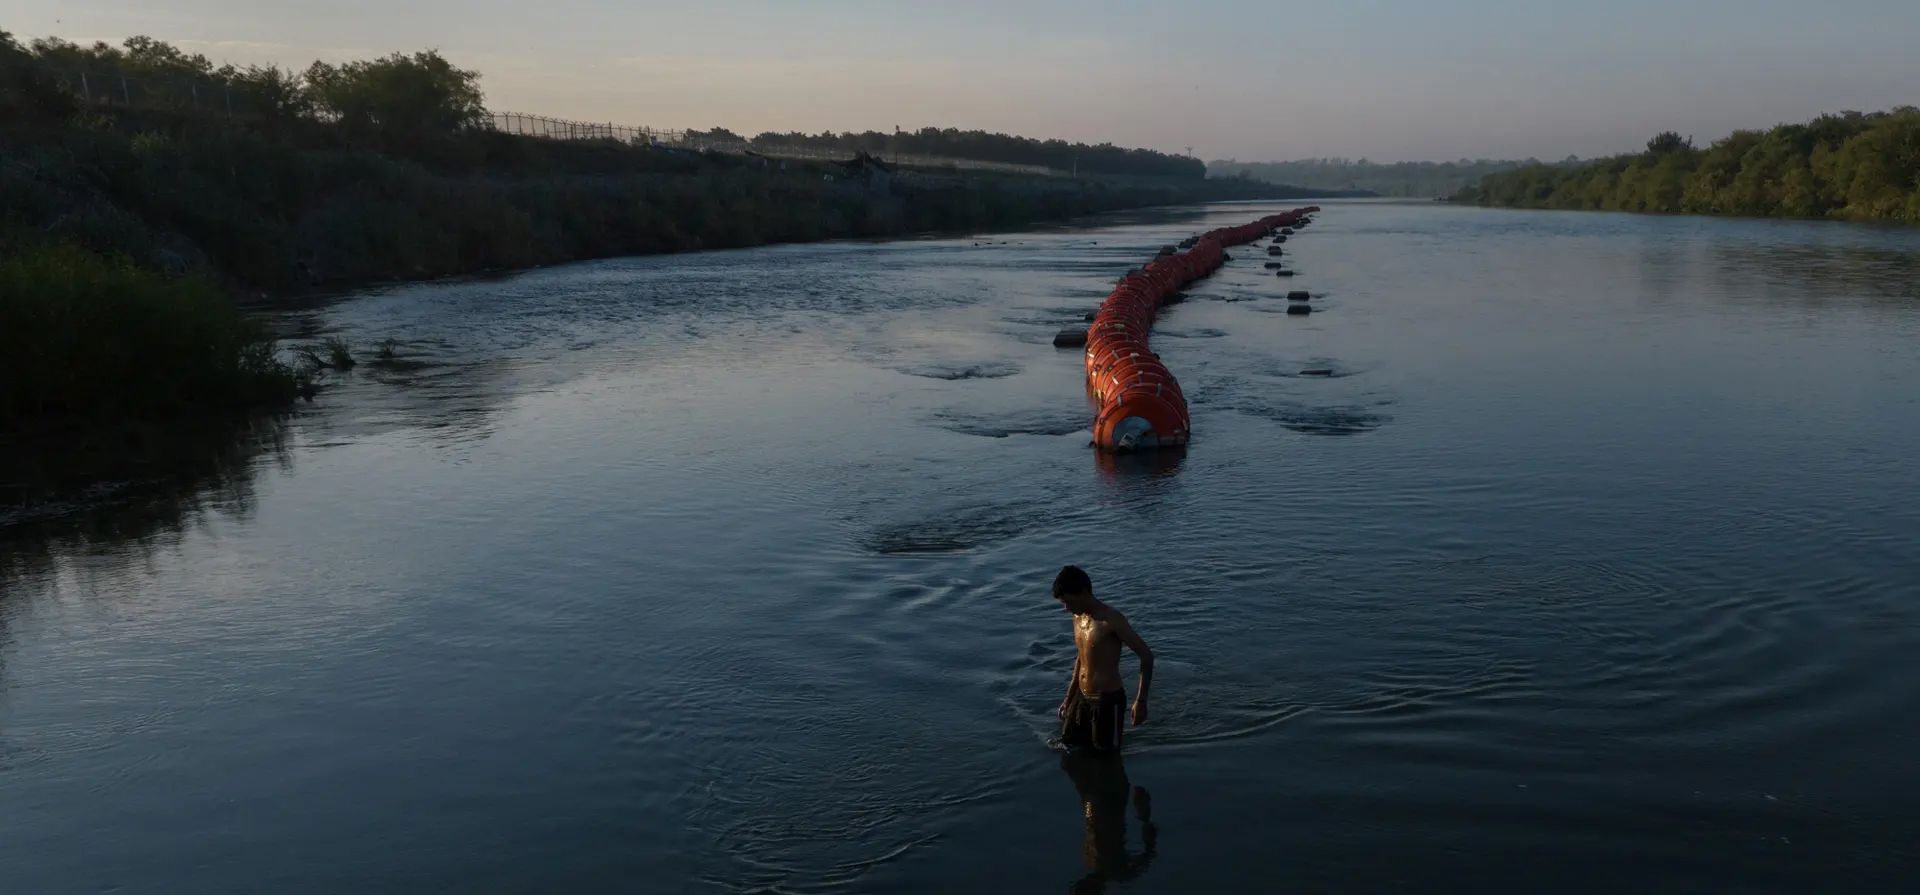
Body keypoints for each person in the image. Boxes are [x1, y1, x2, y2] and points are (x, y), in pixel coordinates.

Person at [1053, 565, 1153, 754]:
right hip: (1081, 697)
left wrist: (1141, 701)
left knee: (1107, 758)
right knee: (1067, 746)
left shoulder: (1111, 620)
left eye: (1068, 601)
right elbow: (1082, 658)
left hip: (1107, 701)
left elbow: (1146, 655)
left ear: (1083, 592)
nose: (1066, 608)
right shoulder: (1077, 617)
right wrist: (1069, 698)